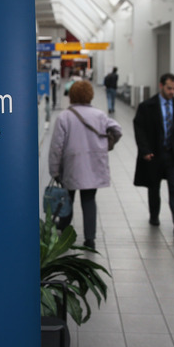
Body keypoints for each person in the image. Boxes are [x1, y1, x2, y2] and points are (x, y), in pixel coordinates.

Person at [49, 81, 122, 249]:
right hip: (93, 165)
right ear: (90, 95)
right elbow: (117, 129)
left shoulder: (64, 117)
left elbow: (56, 147)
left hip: (71, 165)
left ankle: (64, 229)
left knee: (67, 198)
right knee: (89, 200)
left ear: (72, 95)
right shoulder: (100, 115)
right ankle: (90, 238)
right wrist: (109, 143)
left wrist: (54, 170)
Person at [133, 73, 174, 237]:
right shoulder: (147, 106)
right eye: (169, 88)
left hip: (173, 155)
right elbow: (139, 129)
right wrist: (144, 150)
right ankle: (154, 215)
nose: (172, 91)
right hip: (155, 155)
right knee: (154, 188)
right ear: (161, 86)